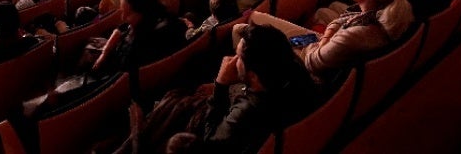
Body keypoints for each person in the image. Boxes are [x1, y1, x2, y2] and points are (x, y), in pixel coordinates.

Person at [115, 24, 318, 154]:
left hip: (208, 131)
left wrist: (221, 85)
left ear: (254, 75)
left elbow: (210, 140)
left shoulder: (248, 112)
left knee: (175, 103)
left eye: (239, 57)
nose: (233, 59)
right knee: (176, 98)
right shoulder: (292, 68)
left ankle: (137, 137)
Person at [244, 0, 415, 83]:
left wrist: (311, 42)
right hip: (323, 46)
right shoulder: (383, 16)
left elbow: (311, 63)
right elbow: (342, 20)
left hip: (310, 65)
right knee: (257, 18)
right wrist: (327, 35)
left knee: (244, 30)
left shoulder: (355, 35)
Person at [91, 0, 188, 76]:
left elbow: (120, 71)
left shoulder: (134, 49)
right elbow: (122, 28)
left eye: (128, 14)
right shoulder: (172, 21)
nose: (123, 17)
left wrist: (104, 55)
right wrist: (105, 52)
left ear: (144, 12)